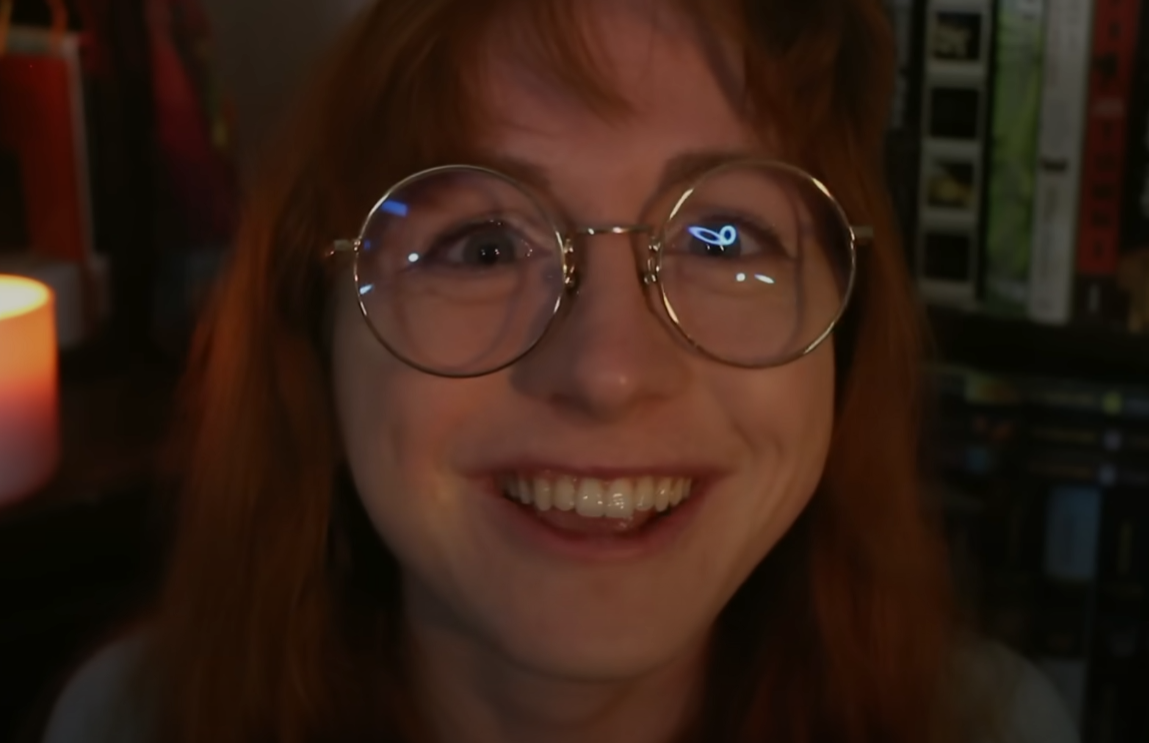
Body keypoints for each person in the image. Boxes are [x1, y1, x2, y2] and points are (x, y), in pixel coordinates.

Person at [40, 0, 1079, 741]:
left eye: (722, 237)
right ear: (313, 336)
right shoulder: (134, 721)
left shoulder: (990, 726)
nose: (610, 371)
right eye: (483, 246)